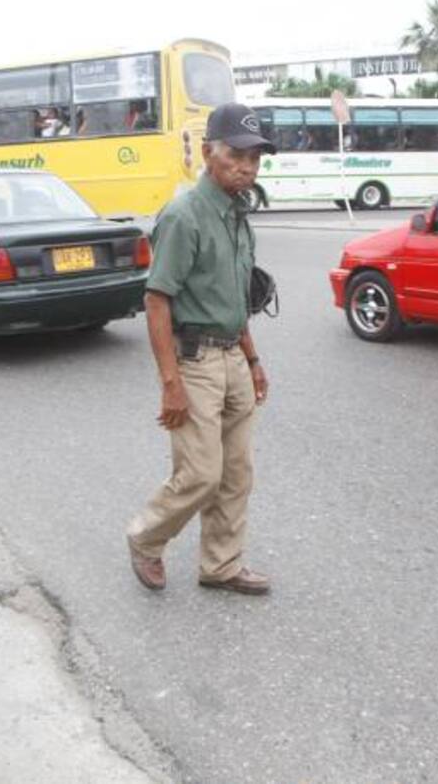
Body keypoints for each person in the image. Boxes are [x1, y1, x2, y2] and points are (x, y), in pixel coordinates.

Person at [125, 103, 276, 596]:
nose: (247, 167)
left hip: (233, 356)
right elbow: (156, 300)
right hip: (194, 361)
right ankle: (146, 538)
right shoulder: (184, 215)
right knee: (201, 474)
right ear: (209, 152)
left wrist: (252, 360)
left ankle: (221, 565)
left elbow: (237, 300)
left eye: (255, 158)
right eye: (237, 155)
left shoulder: (238, 216)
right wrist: (170, 384)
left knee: (236, 473)